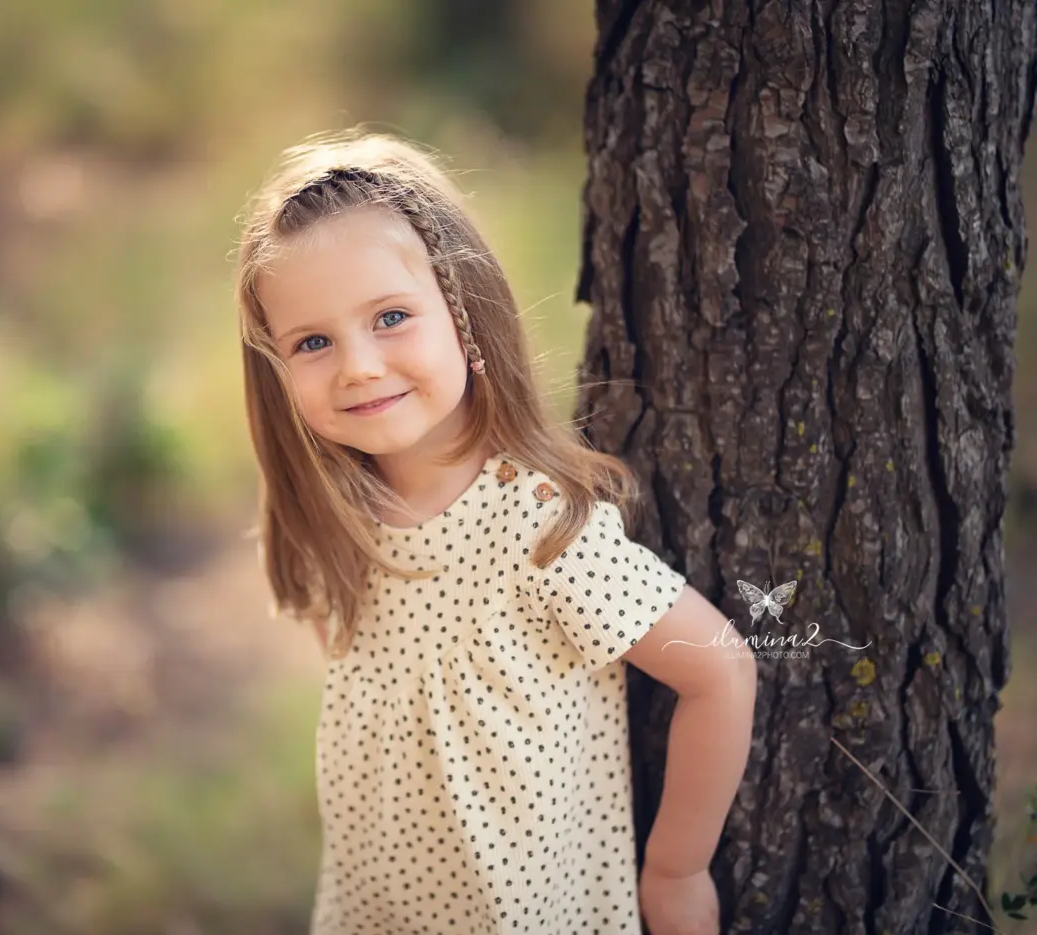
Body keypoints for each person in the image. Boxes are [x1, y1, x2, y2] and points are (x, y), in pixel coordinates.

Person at [233, 128, 756, 935]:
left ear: (464, 314)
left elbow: (719, 669)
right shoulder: (338, 519)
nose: (359, 366)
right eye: (312, 342)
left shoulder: (538, 527)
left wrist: (677, 869)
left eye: (392, 316)